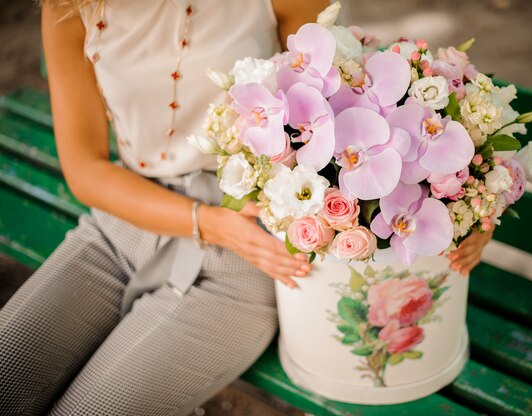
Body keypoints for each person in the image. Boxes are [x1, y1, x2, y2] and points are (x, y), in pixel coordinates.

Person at [0, 0, 493, 414]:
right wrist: (205, 223)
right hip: (121, 223)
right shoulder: (70, 4)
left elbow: (356, 105)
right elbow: (85, 167)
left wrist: (459, 202)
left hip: (252, 250)